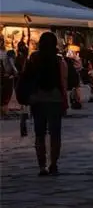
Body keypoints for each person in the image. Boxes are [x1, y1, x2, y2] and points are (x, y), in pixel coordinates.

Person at [16, 32, 69, 176]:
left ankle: (42, 166)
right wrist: (65, 102)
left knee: (40, 134)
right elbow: (64, 82)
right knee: (55, 134)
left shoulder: (33, 58)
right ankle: (53, 164)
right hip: (55, 100)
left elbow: (25, 77)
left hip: (37, 100)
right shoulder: (59, 60)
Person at [0, 49, 17, 117]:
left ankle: (3, 111)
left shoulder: (6, 59)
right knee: (6, 94)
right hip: (6, 78)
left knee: (6, 95)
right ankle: (3, 111)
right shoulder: (9, 59)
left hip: (7, 77)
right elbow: (13, 67)